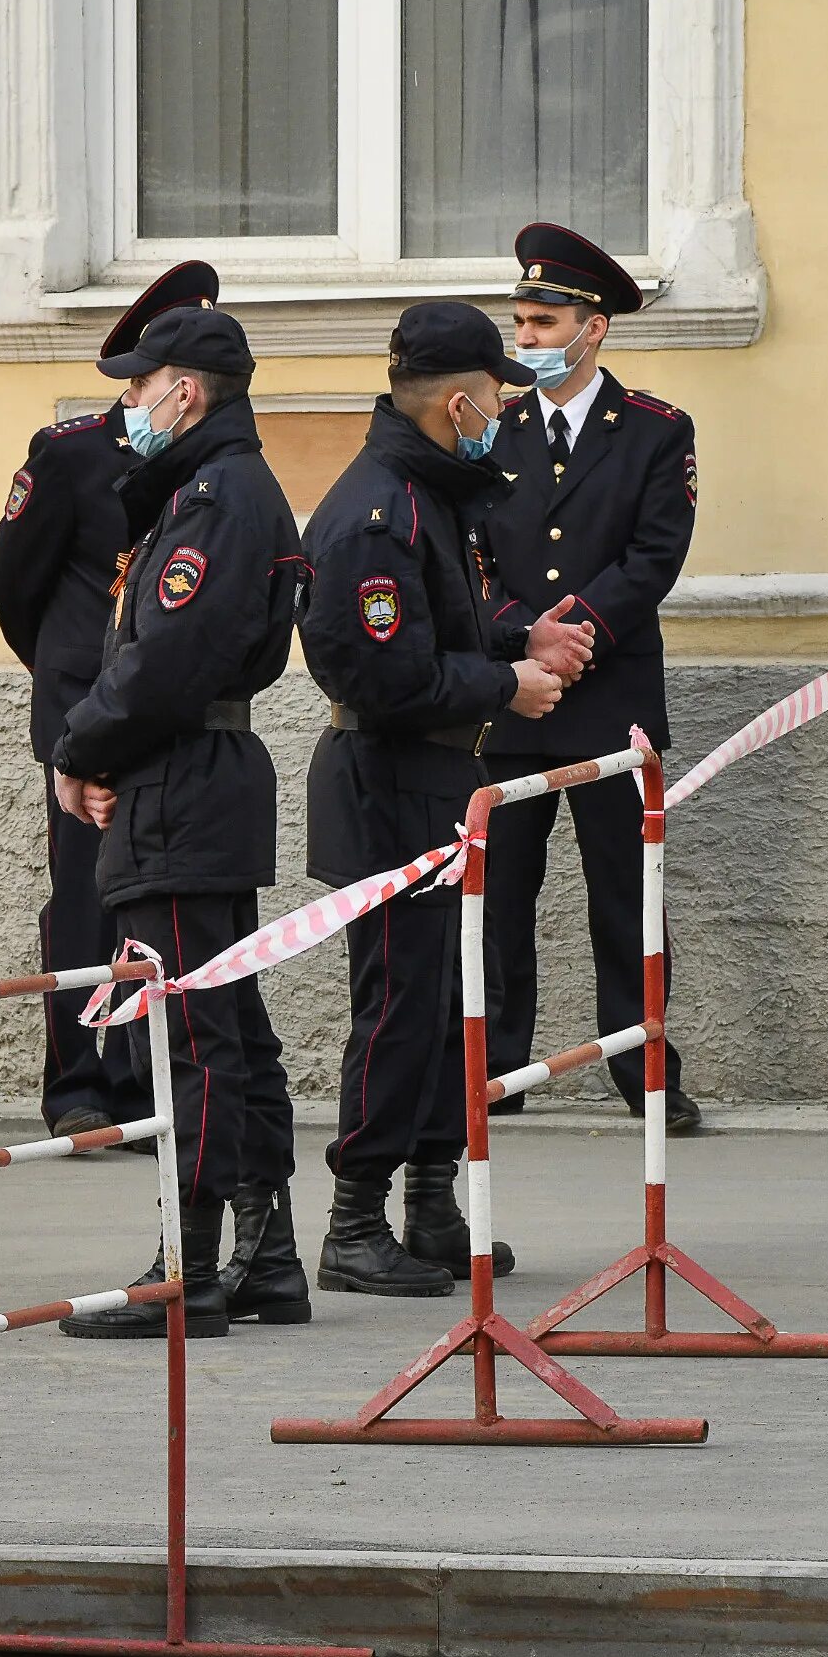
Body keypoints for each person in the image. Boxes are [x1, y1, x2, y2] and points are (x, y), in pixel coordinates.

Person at [301, 300, 576, 1297]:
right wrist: (508, 685)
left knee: (452, 1000)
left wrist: (521, 638)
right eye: (497, 394)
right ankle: (354, 1218)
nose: (505, 407)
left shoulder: (429, 495)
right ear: (458, 403)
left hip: (436, 779)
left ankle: (428, 1200)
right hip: (387, 782)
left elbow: (453, 620)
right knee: (400, 1008)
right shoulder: (381, 513)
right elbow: (387, 675)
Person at [47, 304, 310, 1337]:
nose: (127, 407)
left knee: (193, 1033)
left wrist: (80, 745)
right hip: (191, 774)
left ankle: (189, 1271)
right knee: (228, 1027)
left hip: (181, 782)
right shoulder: (215, 488)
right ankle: (265, 1252)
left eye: (134, 387)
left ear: (184, 391)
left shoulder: (214, 495)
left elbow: (162, 662)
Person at [0, 261, 217, 1144]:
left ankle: (145, 1079)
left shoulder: (202, 459)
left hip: (162, 712)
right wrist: (66, 678)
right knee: (83, 899)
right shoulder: (72, 454)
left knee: (155, 901)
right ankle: (79, 1085)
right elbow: (16, 587)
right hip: (86, 713)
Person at [479, 222, 702, 1131]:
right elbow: (471, 559)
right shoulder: (489, 429)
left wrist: (578, 638)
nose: (524, 339)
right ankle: (496, 1069)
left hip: (610, 699)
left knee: (626, 896)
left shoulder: (655, 430)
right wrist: (520, 639)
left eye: (540, 322)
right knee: (500, 898)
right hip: (513, 698)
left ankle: (644, 1067)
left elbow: (656, 554)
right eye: (520, 322)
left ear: (591, 326)